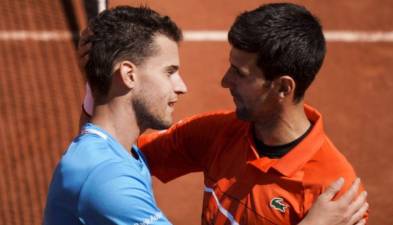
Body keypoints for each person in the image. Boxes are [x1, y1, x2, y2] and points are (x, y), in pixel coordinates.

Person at [78, 3, 368, 225]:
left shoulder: (333, 193)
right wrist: (99, 82)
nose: (225, 81)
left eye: (239, 73)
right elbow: (105, 152)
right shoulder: (217, 133)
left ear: (282, 87)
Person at [43, 6, 187, 225]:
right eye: (169, 72)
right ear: (129, 75)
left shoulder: (110, 150)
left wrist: (96, 79)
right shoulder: (108, 178)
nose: (181, 87)